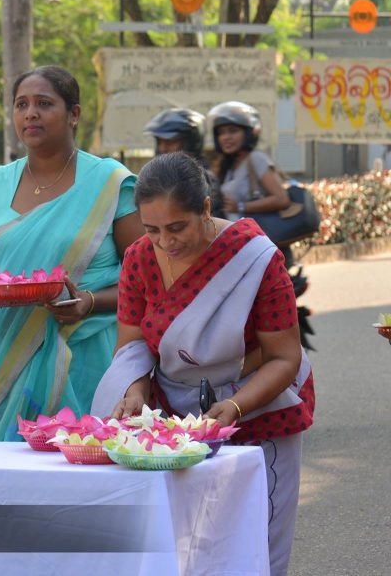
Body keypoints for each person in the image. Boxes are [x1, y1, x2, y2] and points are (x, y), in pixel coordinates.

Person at [91, 152, 315, 576]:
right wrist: (135, 390)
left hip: (260, 410)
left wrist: (235, 406)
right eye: (152, 230)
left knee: (257, 545)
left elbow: (284, 357)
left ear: (206, 209)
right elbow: (133, 345)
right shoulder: (139, 258)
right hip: (180, 425)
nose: (165, 242)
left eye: (177, 227)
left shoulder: (255, 259)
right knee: (189, 545)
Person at [0, 65, 143, 441]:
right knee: (5, 470)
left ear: (74, 114)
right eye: (21, 104)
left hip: (87, 356)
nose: (30, 114)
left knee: (85, 463)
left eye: (44, 103)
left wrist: (89, 301)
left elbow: (148, 284)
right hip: (2, 354)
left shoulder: (109, 183)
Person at [207, 101, 291, 221]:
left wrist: (241, 206)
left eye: (233, 131)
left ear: (248, 133)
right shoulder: (229, 166)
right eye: (221, 132)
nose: (226, 137)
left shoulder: (256, 158)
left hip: (256, 231)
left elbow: (281, 199)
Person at [144, 107, 223, 218]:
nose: (163, 148)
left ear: (191, 141)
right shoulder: (163, 176)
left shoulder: (201, 178)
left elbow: (206, 221)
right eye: (160, 142)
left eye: (170, 142)